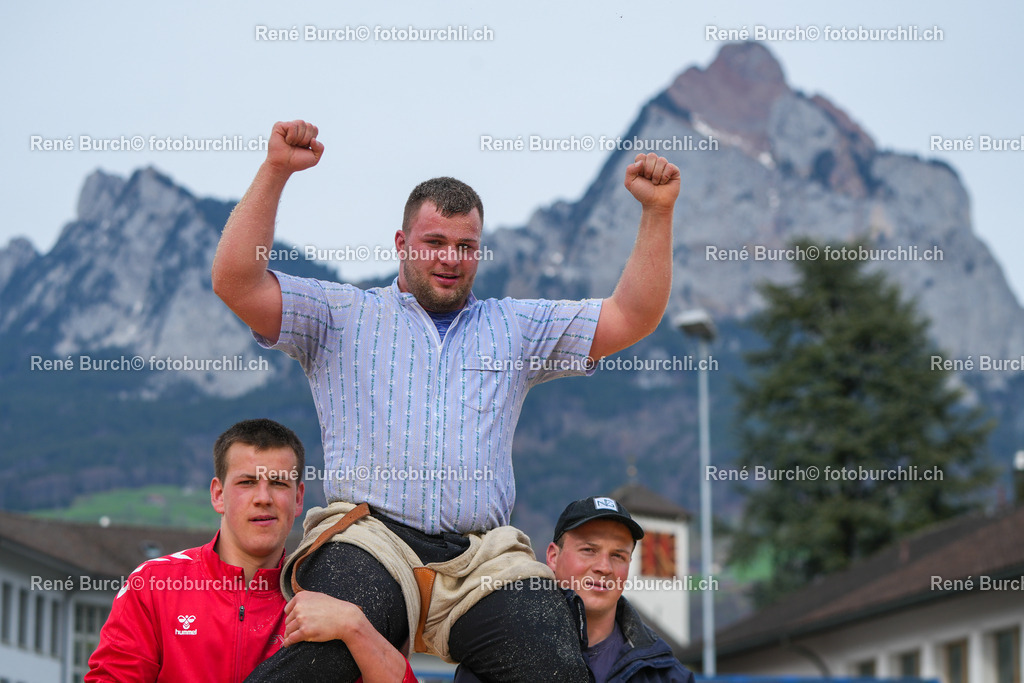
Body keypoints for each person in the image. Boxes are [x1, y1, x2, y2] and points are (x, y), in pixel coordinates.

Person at [212, 120, 681, 682]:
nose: (451, 258)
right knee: (326, 651)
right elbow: (236, 282)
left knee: (556, 663)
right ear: (401, 244)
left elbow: (631, 316)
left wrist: (657, 212)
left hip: (480, 558)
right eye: (434, 242)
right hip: (370, 539)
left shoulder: (515, 327)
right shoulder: (341, 315)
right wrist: (276, 170)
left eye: (466, 246)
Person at [86, 418, 414, 683]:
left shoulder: (327, 599)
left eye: (278, 483)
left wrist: (355, 626)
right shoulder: (156, 585)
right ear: (218, 495)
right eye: (247, 482)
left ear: (298, 498)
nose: (263, 498)